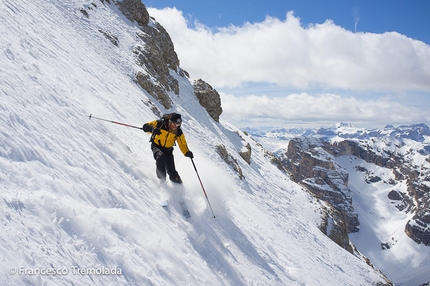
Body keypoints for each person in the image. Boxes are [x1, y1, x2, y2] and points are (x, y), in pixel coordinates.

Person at [142, 113, 193, 184]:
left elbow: (182, 144)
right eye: (172, 123)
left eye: (177, 125)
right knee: (161, 157)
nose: (174, 126)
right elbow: (146, 126)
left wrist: (187, 152)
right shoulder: (160, 124)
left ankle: (178, 184)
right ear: (169, 121)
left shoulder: (178, 132)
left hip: (168, 150)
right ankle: (162, 180)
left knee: (171, 170)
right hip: (157, 146)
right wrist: (153, 129)